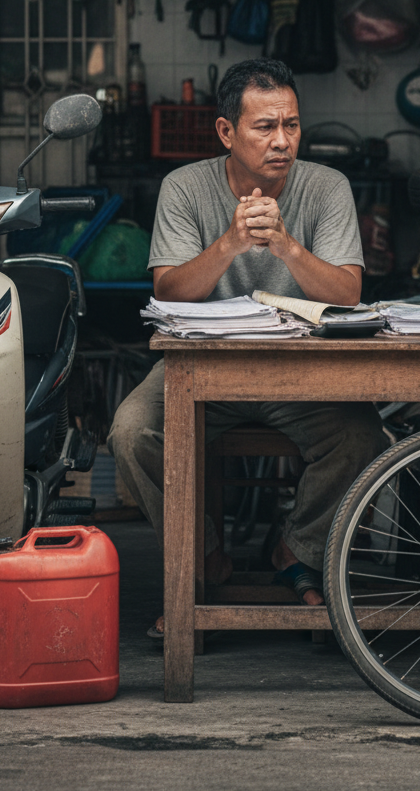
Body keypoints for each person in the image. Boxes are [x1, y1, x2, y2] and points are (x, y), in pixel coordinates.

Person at [109, 58, 388, 636]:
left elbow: (349, 292)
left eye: (291, 125)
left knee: (363, 436)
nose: (282, 141)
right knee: (131, 431)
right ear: (226, 132)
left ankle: (295, 550)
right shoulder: (185, 187)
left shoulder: (325, 187)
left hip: (299, 373)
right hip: (201, 370)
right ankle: (202, 559)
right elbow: (168, 290)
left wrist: (285, 246)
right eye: (265, 127)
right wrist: (231, 242)